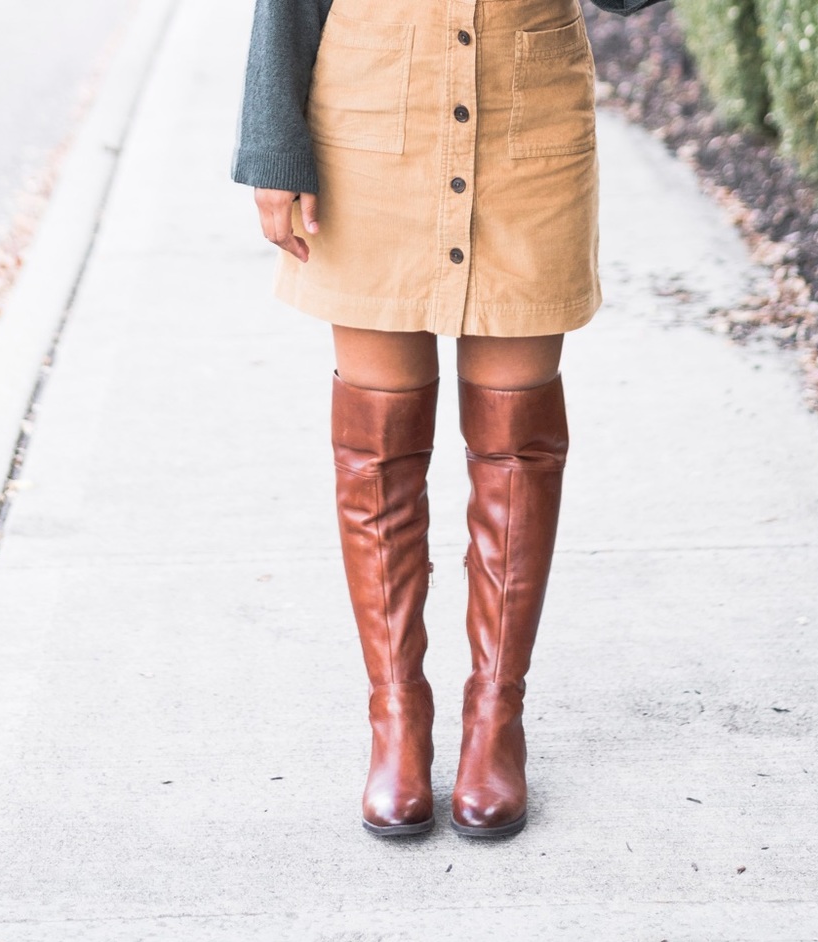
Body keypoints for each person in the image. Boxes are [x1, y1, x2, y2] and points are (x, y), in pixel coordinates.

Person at [232, 0, 645, 838]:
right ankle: (398, 721)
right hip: (368, 116)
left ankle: (497, 718)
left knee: (519, 449)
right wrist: (274, 143)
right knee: (378, 452)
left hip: (528, 116)